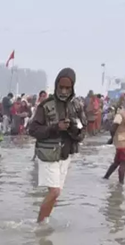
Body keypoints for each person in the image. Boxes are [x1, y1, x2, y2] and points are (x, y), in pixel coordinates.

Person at [29, 68, 86, 223]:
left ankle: (44, 222)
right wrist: (55, 128)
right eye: (61, 87)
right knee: (53, 192)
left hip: (65, 155)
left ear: (73, 87)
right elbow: (33, 130)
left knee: (57, 193)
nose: (64, 91)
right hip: (49, 154)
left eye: (68, 88)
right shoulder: (46, 106)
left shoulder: (77, 106)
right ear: (56, 85)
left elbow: (82, 133)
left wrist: (73, 128)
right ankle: (39, 225)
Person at [103, 92, 125, 184]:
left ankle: (105, 178)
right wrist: (112, 138)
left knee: (117, 162)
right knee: (123, 163)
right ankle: (121, 184)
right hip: (122, 142)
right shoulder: (121, 114)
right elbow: (113, 128)